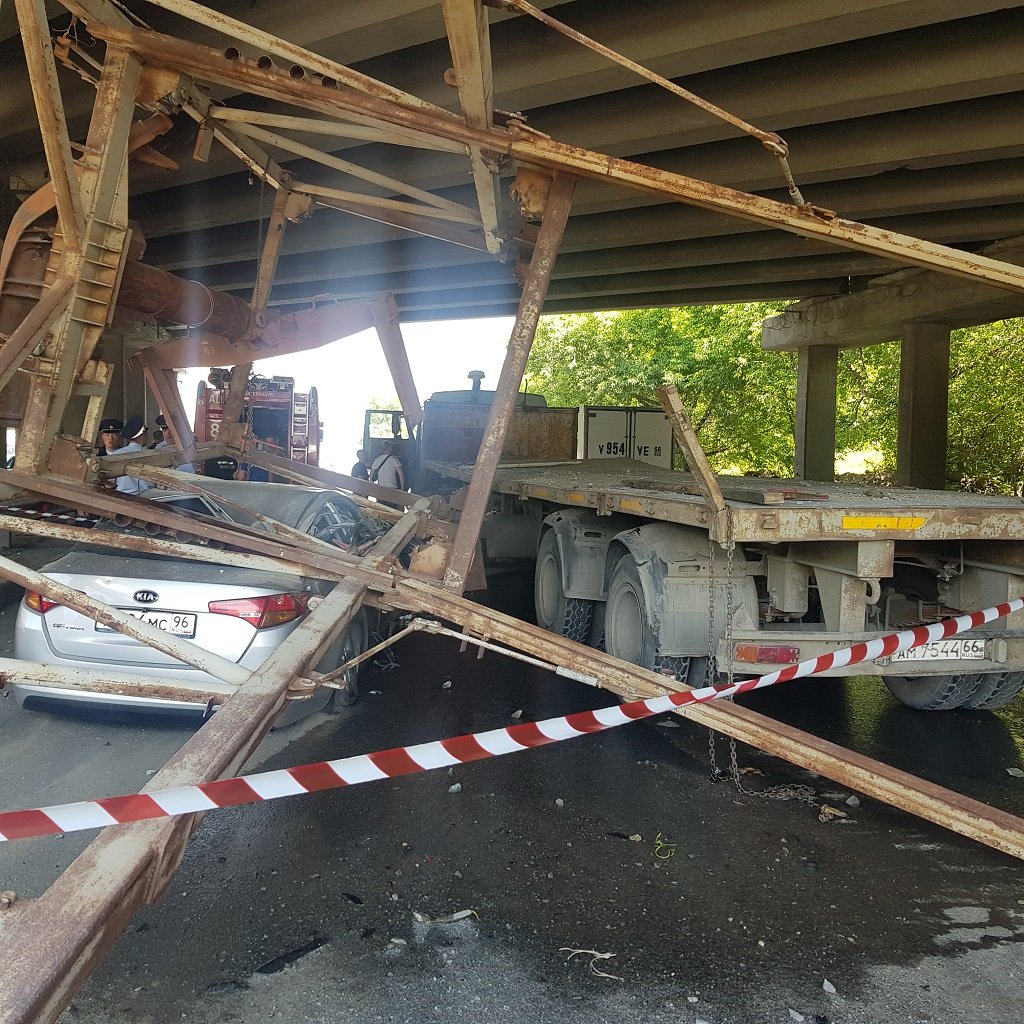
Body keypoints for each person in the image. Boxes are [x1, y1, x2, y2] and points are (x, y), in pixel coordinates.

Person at [111, 415, 154, 494]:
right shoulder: (150, 454)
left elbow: (111, 481)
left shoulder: (116, 455)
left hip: (123, 496)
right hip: (147, 496)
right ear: (142, 436)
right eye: (146, 435)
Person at [370, 440, 406, 508]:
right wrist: (402, 489)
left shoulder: (377, 460)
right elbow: (401, 476)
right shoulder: (395, 460)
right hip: (392, 489)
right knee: (391, 510)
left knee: (381, 509)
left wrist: (373, 489)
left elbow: (371, 476)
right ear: (390, 448)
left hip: (380, 489)